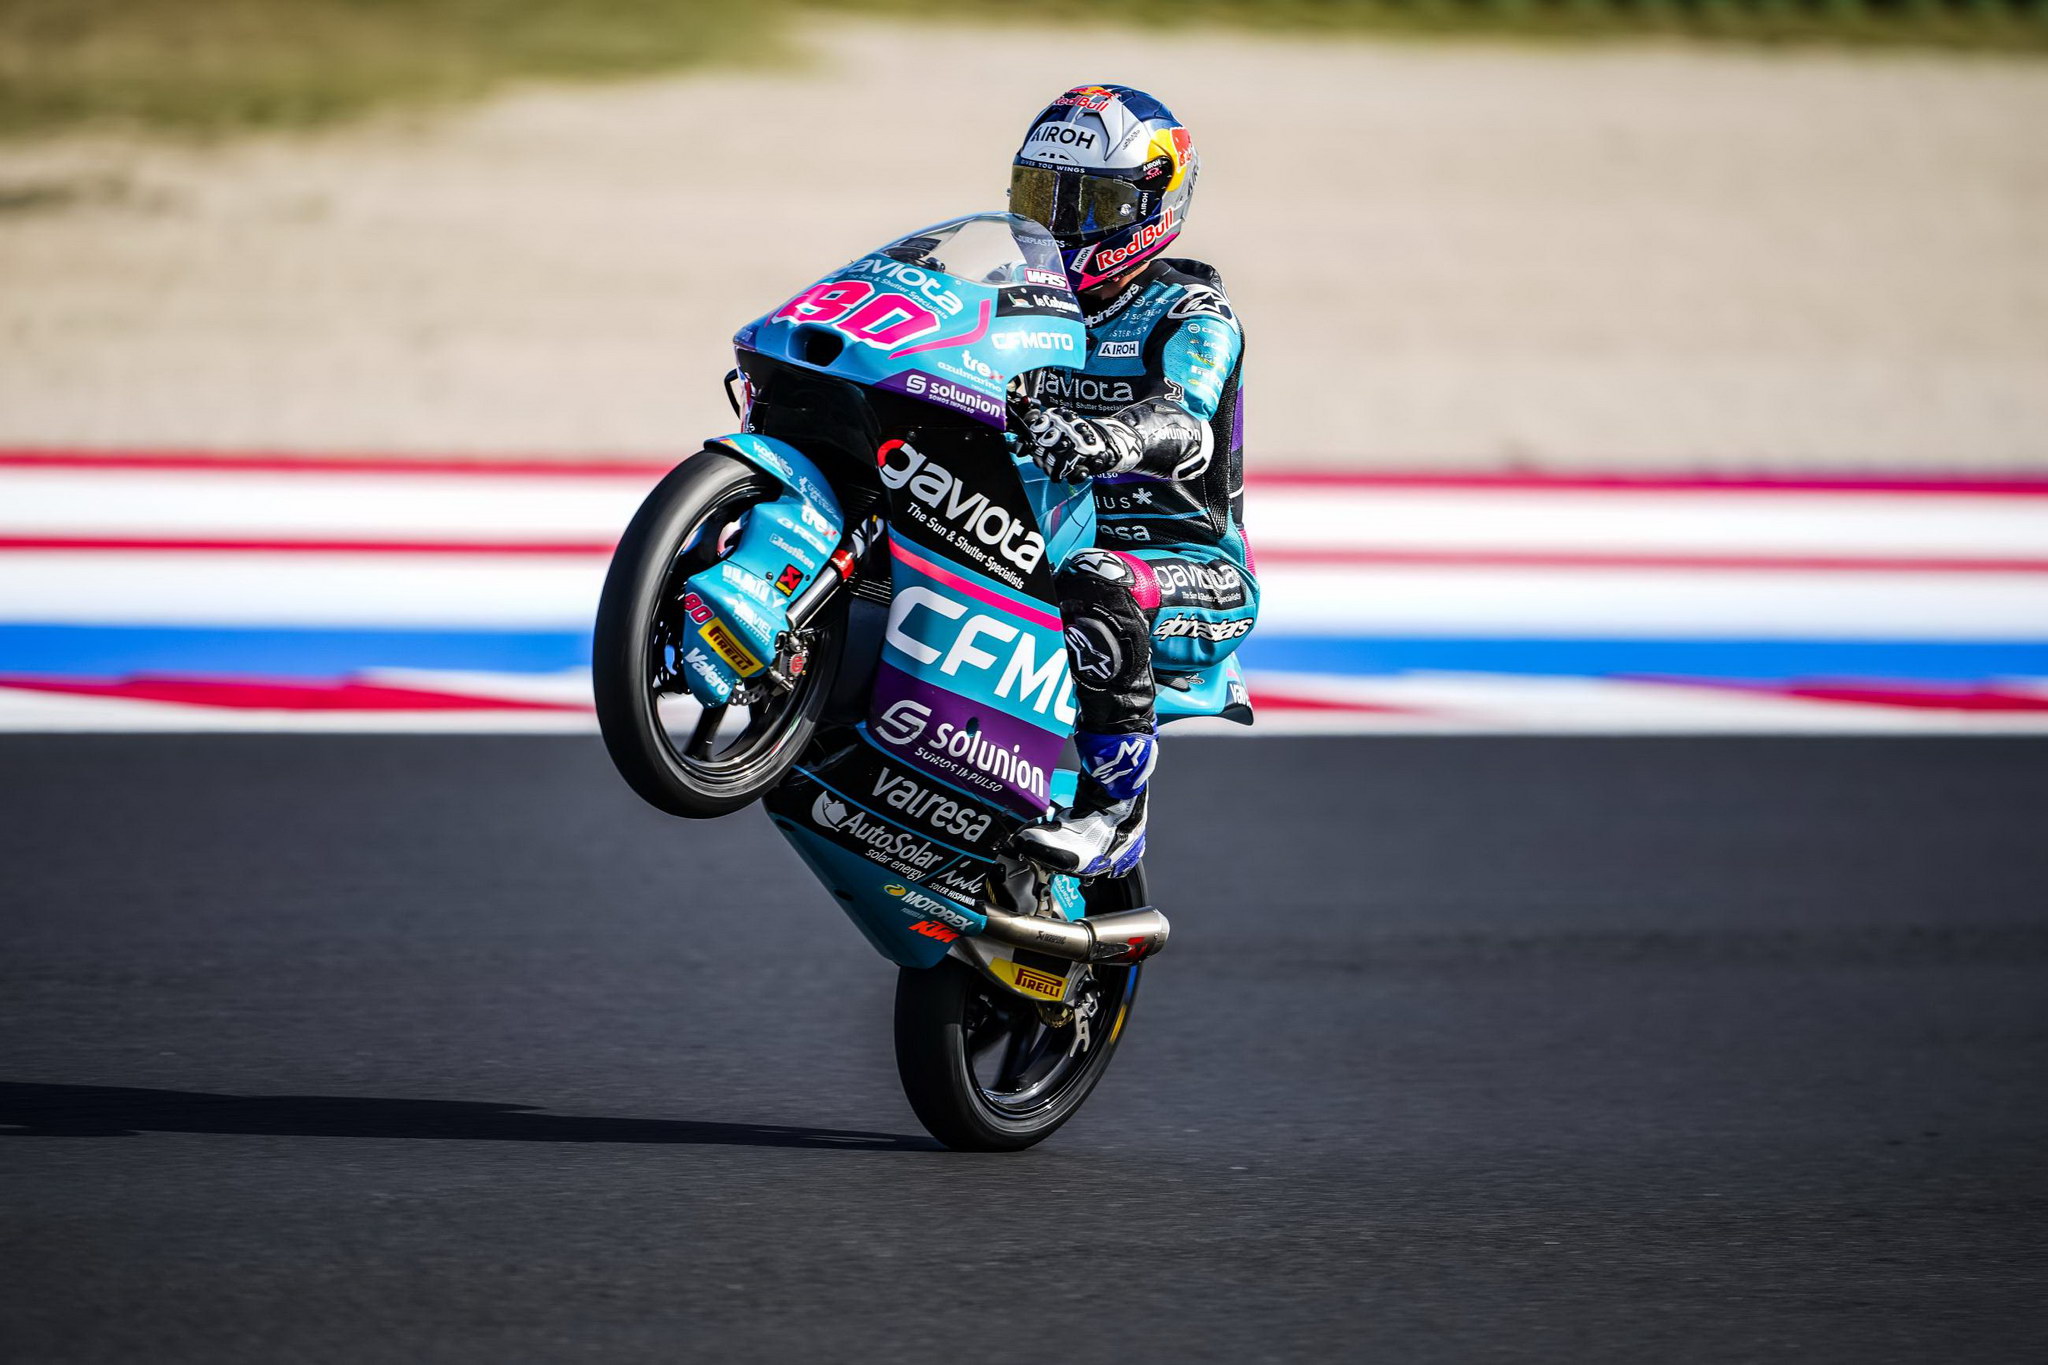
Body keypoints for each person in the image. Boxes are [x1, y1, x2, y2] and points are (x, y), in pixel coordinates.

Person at [1003, 84, 1257, 879]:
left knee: (1097, 576)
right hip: (1050, 543)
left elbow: (1188, 420)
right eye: (1043, 195)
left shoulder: (1192, 312)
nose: (1061, 222)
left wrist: (1112, 437)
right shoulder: (1022, 303)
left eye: (1089, 201)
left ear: (1151, 207)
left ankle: (1114, 814)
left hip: (1193, 569)